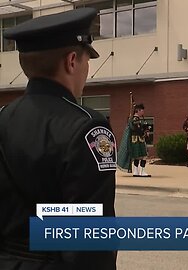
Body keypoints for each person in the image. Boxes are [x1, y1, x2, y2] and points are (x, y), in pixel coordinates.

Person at [0, 8, 117, 269]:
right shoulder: (86, 128)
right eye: (87, 61)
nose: (87, 70)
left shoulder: (3, 118)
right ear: (72, 61)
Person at [118, 103, 151, 177]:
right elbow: (137, 130)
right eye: (142, 111)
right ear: (138, 110)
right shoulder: (136, 120)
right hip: (138, 140)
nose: (143, 112)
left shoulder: (133, 119)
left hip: (135, 140)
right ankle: (142, 172)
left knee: (137, 156)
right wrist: (145, 132)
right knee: (144, 155)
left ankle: (136, 172)